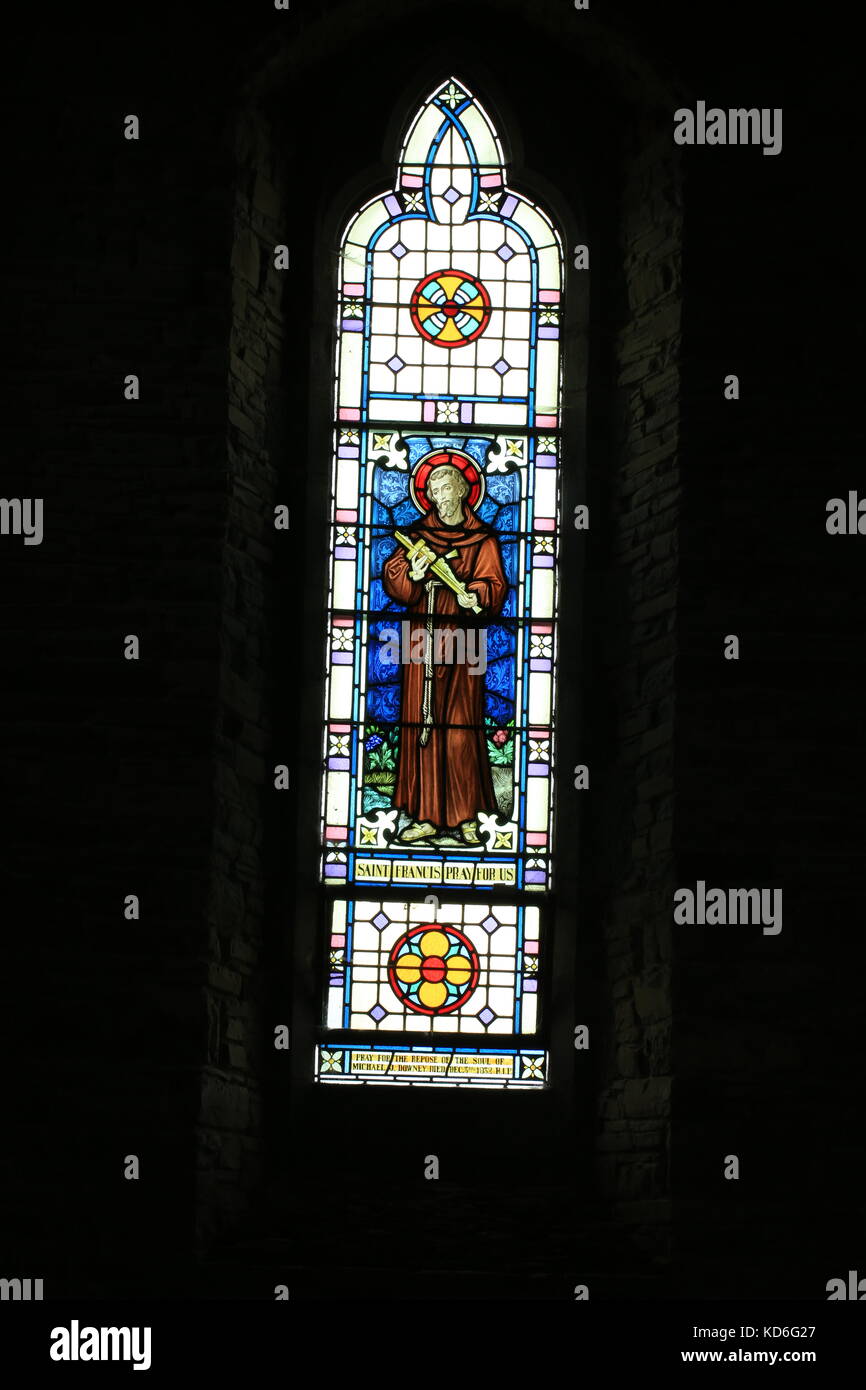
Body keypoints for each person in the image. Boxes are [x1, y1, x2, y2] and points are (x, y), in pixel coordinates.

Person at [381, 463, 508, 844]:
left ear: (465, 492)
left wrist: (478, 595)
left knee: (459, 728)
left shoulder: (481, 538)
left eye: (449, 489)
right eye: (436, 491)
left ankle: (467, 815)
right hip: (423, 637)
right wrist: (415, 576)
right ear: (429, 496)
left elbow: (495, 583)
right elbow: (395, 577)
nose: (443, 496)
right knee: (423, 724)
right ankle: (425, 816)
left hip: (464, 641)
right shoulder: (416, 537)